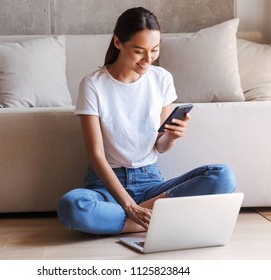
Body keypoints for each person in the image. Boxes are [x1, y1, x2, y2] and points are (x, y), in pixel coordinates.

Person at [57, 7, 236, 235]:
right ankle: (158, 219)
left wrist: (170, 136)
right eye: (139, 51)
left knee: (223, 176)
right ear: (118, 42)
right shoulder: (93, 84)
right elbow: (96, 155)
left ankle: (129, 222)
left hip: (150, 182)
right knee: (72, 206)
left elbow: (160, 147)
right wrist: (129, 205)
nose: (148, 59)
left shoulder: (161, 79)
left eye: (154, 50)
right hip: (107, 187)